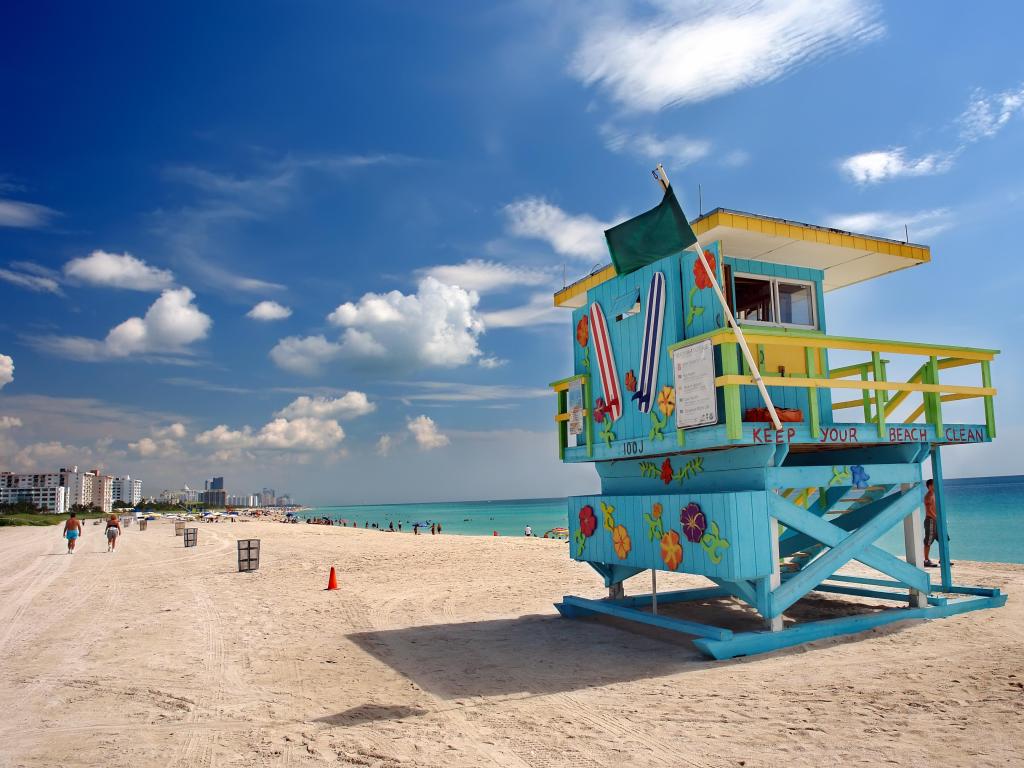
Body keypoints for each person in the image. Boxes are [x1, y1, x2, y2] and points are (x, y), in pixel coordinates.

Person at [923, 479, 938, 567]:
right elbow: (929, 511)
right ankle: (926, 560)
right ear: (929, 486)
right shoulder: (928, 496)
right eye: (934, 484)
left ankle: (943, 559)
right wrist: (937, 518)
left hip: (936, 520)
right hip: (930, 520)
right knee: (928, 541)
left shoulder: (935, 495)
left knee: (943, 539)